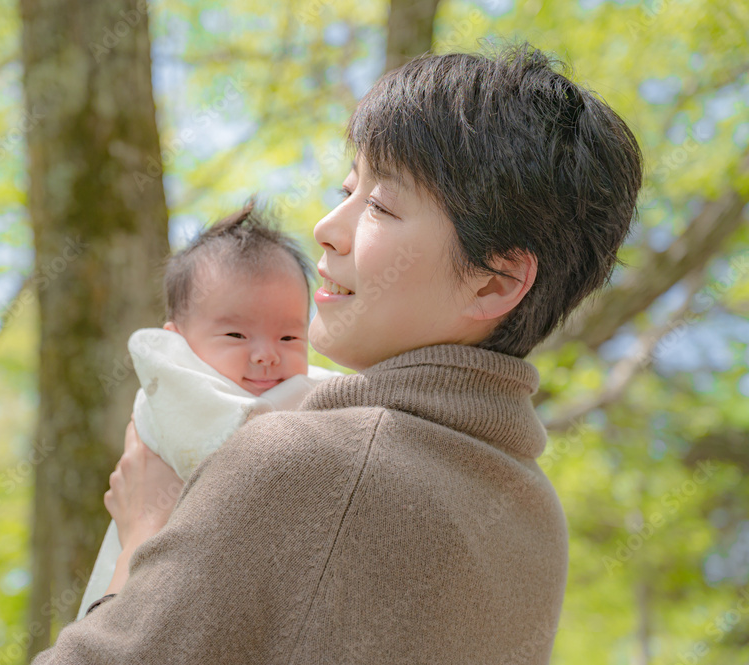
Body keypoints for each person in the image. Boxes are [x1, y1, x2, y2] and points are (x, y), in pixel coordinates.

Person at [33, 43, 642, 664]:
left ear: (494, 281)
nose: (327, 225)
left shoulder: (308, 463)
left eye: (380, 205)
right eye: (348, 189)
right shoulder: (535, 517)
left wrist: (140, 539)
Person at [77, 202, 342, 616]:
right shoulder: (178, 389)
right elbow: (232, 456)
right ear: (178, 341)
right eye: (237, 334)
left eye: (289, 337)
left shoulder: (313, 389)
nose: (266, 355)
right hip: (151, 591)